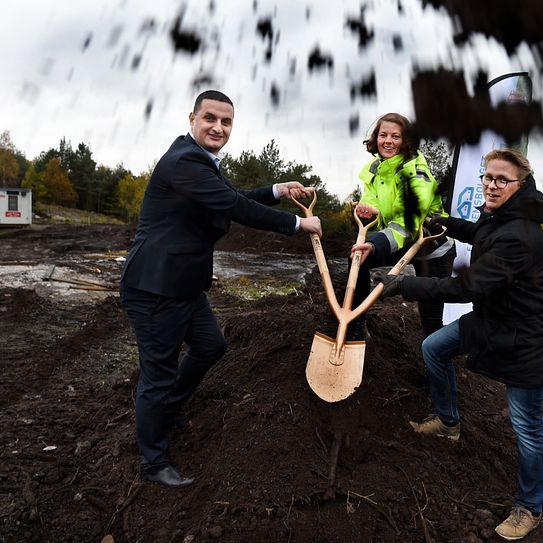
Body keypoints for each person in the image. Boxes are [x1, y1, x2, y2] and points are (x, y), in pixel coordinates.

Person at [119, 90, 321, 487]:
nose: (218, 127)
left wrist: (277, 190)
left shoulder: (201, 162)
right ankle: (154, 461)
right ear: (191, 118)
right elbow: (233, 206)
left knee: (211, 346)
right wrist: (297, 225)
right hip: (156, 286)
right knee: (157, 376)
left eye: (226, 122)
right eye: (210, 118)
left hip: (183, 286)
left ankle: (169, 409)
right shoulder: (186, 162)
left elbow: (231, 198)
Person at [374, 148, 543, 541]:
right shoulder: (502, 215)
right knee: (433, 348)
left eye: (501, 180)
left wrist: (404, 285)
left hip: (525, 334)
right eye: (487, 177)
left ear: (520, 185)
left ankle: (529, 507)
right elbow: (480, 233)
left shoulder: (520, 235)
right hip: (493, 320)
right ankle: (448, 422)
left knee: (525, 424)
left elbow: (465, 286)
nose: (491, 185)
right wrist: (447, 223)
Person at [349, 112, 455, 340]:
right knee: (358, 258)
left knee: (430, 317)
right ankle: (356, 324)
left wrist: (375, 245)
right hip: (403, 239)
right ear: (376, 138)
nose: (388, 141)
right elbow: (373, 203)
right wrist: (366, 211)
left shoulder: (417, 174)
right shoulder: (375, 170)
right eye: (383, 135)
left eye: (396, 136)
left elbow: (407, 221)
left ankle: (435, 364)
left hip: (431, 247)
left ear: (406, 141)